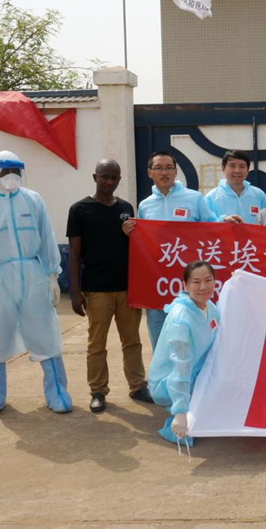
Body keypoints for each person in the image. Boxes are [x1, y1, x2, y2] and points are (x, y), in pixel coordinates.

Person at [0, 151, 72, 419]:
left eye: (15, 170)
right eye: (5, 171)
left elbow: (47, 237)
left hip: (32, 275)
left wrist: (52, 275)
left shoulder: (33, 200)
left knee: (44, 332)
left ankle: (57, 391)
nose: (11, 176)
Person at [67, 159, 152, 413]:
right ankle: (98, 391)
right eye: (104, 176)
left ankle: (137, 385)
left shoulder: (126, 208)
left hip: (127, 288)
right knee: (97, 344)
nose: (109, 182)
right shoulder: (79, 210)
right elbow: (74, 255)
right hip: (96, 290)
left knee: (132, 341)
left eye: (114, 177)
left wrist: (131, 236)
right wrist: (75, 292)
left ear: (119, 180)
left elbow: (136, 247)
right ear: (95, 177)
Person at [125, 151, 229, 350]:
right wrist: (131, 233)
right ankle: (161, 370)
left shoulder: (194, 199)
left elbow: (212, 226)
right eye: (158, 168)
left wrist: (226, 221)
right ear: (149, 173)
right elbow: (144, 242)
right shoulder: (146, 206)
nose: (164, 172)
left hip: (190, 282)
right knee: (160, 337)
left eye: (168, 168)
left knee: (192, 335)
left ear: (175, 172)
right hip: (158, 281)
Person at [148, 260, 221, 447]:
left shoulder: (211, 308)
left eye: (208, 280)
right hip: (170, 380)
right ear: (185, 285)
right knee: (190, 428)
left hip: (196, 371)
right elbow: (181, 365)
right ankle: (176, 417)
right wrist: (181, 411)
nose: (203, 287)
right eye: (196, 282)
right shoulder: (180, 319)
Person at [204, 150, 265, 224]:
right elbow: (205, 225)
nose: (237, 171)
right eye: (232, 166)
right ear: (223, 168)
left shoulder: (259, 195)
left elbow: (265, 224)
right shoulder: (211, 197)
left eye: (242, 166)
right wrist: (222, 220)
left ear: (247, 170)